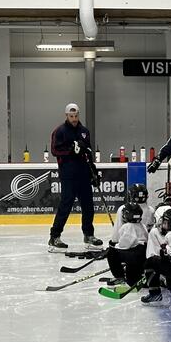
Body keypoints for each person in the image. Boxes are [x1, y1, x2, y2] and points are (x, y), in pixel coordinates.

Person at [48, 102, 103, 251]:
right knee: (66, 205)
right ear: (66, 115)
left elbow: (88, 152)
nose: (74, 118)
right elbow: (54, 150)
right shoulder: (59, 131)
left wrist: (94, 171)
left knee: (88, 205)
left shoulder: (84, 131)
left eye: (76, 115)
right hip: (68, 175)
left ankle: (89, 235)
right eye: (71, 116)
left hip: (84, 174)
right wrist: (71, 150)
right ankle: (54, 236)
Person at [105, 202, 148, 287]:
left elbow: (124, 245)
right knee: (133, 277)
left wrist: (114, 246)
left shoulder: (127, 226)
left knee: (111, 253)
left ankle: (119, 277)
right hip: (143, 253)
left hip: (134, 255)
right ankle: (138, 277)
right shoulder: (142, 225)